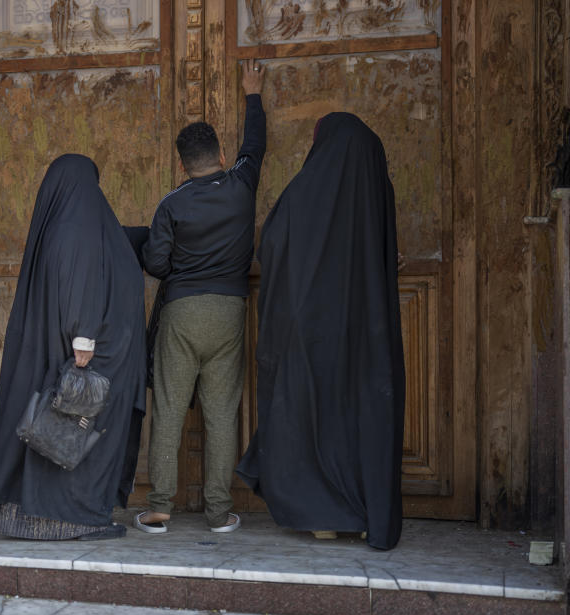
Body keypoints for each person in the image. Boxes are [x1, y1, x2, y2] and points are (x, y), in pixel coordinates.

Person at [235, 112, 406, 551]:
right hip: (368, 330)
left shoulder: (308, 188)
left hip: (311, 329)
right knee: (362, 411)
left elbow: (271, 242)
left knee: (315, 414)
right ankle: (368, 513)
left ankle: (324, 514)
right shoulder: (376, 186)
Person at [0, 154, 147, 541]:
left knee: (60, 429)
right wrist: (83, 337)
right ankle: (74, 516)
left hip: (70, 351)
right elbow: (81, 280)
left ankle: (39, 513)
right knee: (80, 430)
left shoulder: (66, 224)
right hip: (89, 355)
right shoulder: (80, 226)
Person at [135, 59, 266, 535]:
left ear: (181, 163)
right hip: (229, 311)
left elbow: (156, 262)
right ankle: (217, 512)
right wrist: (252, 94)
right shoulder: (241, 185)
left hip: (181, 312)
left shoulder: (172, 203)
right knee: (221, 412)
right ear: (220, 152)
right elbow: (257, 146)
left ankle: (160, 508)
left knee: (169, 409)